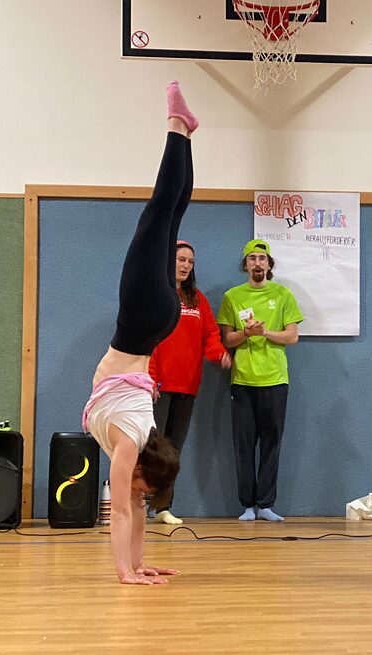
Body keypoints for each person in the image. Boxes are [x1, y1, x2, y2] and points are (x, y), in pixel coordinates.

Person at [81, 81, 198, 584]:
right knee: (156, 214)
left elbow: (132, 511)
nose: (141, 493)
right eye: (148, 487)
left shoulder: (136, 446)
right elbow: (125, 514)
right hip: (145, 318)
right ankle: (176, 128)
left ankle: (186, 135)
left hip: (157, 322)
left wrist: (138, 565)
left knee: (169, 216)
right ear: (144, 467)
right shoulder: (130, 444)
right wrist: (124, 574)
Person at [217, 239, 303, 522]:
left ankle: (265, 504)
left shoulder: (283, 295)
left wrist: (264, 333)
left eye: (262, 259)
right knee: (243, 444)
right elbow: (227, 339)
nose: (257, 263)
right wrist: (246, 334)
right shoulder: (232, 296)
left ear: (269, 264)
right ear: (246, 265)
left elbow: (292, 336)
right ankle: (247, 506)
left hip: (275, 380)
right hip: (242, 381)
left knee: (271, 442)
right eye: (252, 258)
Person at [147, 240, 232, 525]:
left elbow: (210, 336)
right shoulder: (156, 295)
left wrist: (219, 355)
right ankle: (139, 503)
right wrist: (151, 378)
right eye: (180, 259)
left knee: (173, 450)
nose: (185, 266)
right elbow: (150, 340)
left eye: (190, 262)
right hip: (158, 387)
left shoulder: (197, 300)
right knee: (150, 448)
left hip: (187, 387)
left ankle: (162, 508)